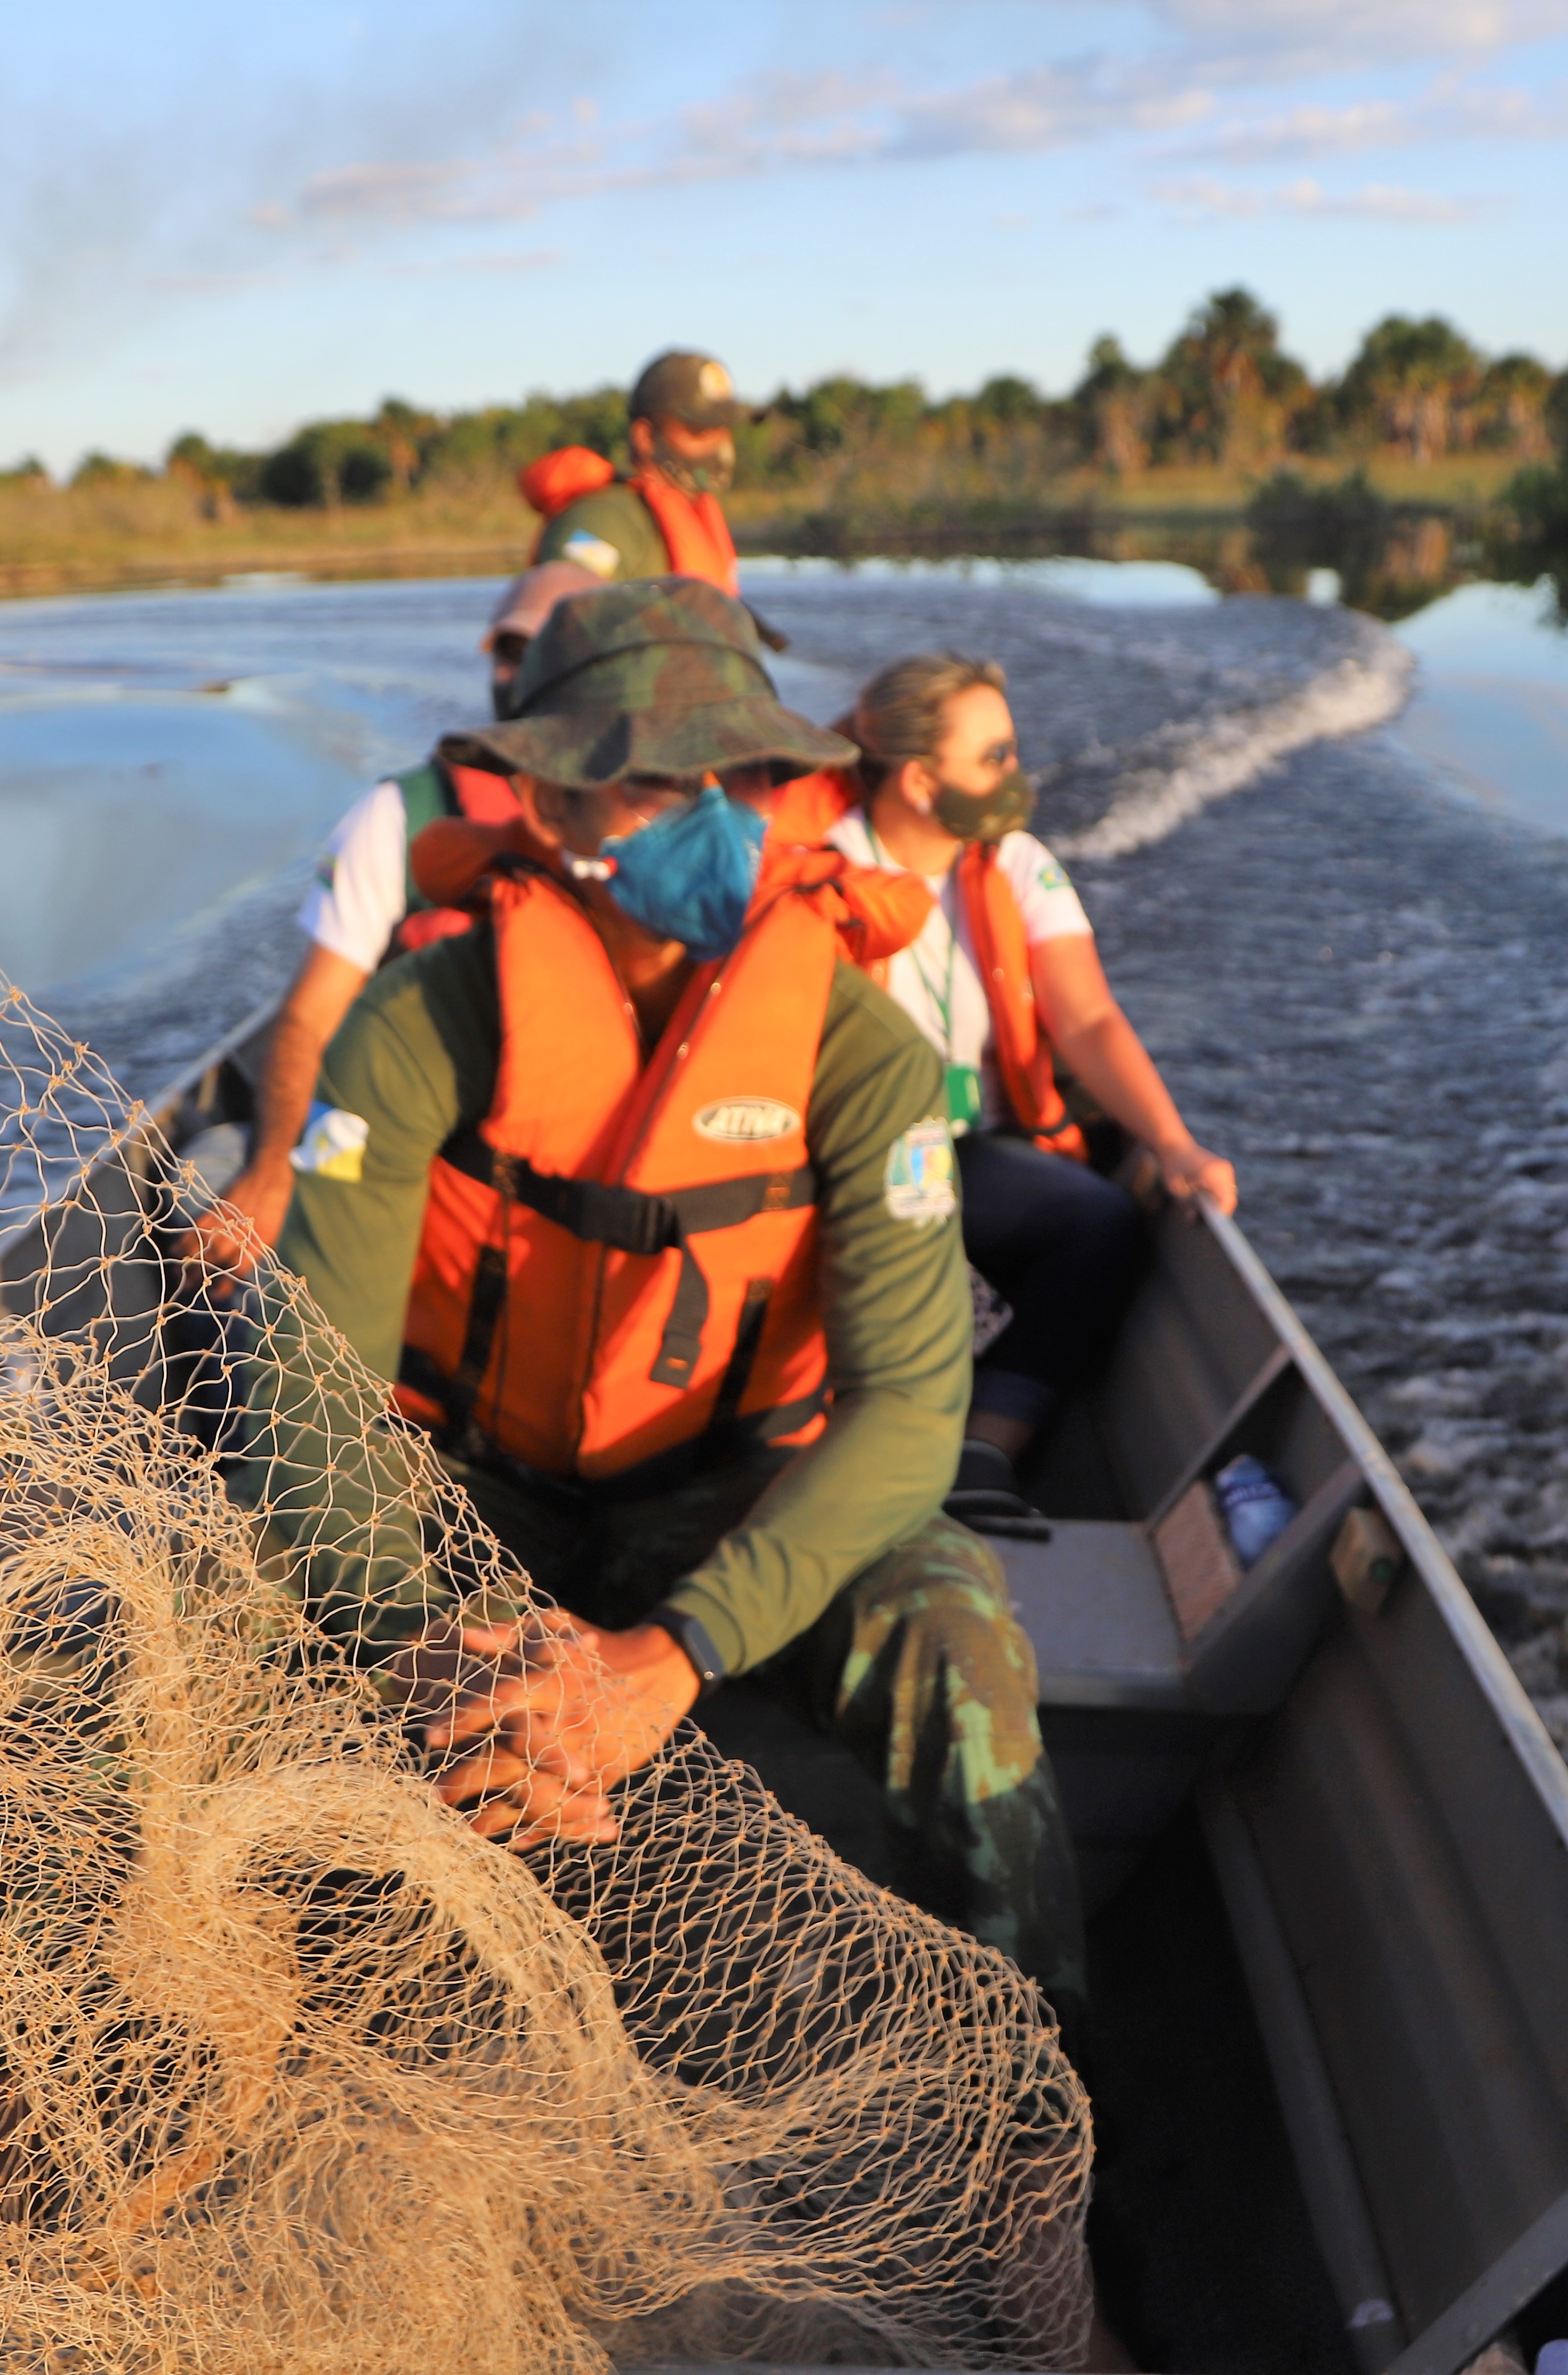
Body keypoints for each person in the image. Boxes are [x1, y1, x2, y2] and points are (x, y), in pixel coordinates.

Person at [236, 579, 1088, 2023]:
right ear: (548, 803)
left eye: (740, 778)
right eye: (652, 781)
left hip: (731, 1491)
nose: (711, 815)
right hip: (473, 1495)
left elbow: (908, 1406)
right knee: (209, 1606)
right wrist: (408, 1644)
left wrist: (669, 1657)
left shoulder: (857, 1048)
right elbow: (311, 1374)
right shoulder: (421, 1022)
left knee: (954, 1632)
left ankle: (1039, 2075)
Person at [827, 651, 1236, 1479]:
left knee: (1099, 1222)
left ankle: (987, 1449)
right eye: (994, 757)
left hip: (970, 1148)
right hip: (854, 1156)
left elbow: (1086, 1018)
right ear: (918, 781)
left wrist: (1173, 1142)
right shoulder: (824, 870)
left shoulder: (1014, 863)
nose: (1016, 774)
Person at [188, 561, 606, 1272]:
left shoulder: (654, 825)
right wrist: (276, 1169)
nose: (518, 672)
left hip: (566, 1161)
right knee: (205, 1175)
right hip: (402, 1141)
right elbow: (308, 1017)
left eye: (542, 651)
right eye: (508, 650)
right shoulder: (399, 815)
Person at [517, 348, 747, 591]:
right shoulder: (607, 517)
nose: (719, 445)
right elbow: (562, 602)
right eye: (699, 432)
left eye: (723, 430)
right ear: (645, 437)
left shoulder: (696, 514)